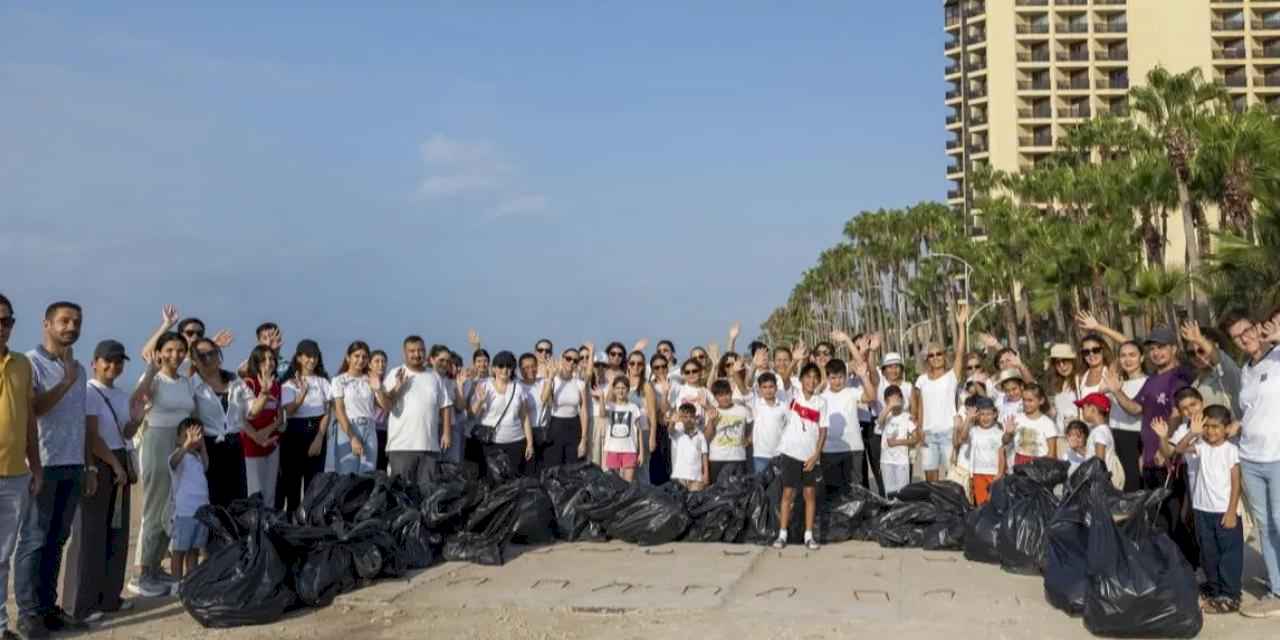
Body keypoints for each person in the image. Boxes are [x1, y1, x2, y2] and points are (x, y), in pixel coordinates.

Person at [17, 301, 88, 637]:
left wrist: (87, 465)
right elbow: (34, 410)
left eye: (76, 321)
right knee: (34, 539)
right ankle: (28, 614)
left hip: (72, 464)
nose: (71, 327)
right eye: (64, 321)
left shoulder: (80, 368)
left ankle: (48, 607)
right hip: (42, 464)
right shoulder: (31, 364)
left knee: (58, 539)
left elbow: (81, 421)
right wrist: (65, 382)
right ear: (47, 324)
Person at [63, 340, 139, 620]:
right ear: (94, 362)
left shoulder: (120, 394)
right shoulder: (89, 392)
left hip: (118, 462)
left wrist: (139, 419)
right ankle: (81, 605)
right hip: (98, 464)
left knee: (116, 533)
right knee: (89, 534)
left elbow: (126, 432)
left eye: (119, 361)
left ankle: (109, 598)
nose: (113, 365)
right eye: (108, 360)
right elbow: (92, 436)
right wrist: (114, 465)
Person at [1220, 310, 1280, 618]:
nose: (1245, 338)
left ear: (1258, 327)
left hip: (1277, 456)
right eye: (1237, 336)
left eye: (1247, 330)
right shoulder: (1246, 370)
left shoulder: (1278, 354)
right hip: (1251, 457)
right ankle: (1277, 591)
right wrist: (1238, 425)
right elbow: (1253, 409)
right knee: (1265, 527)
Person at [127, 330, 196, 600]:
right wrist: (149, 371)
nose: (175, 355)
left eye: (180, 350)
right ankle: (142, 574)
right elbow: (136, 400)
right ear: (159, 352)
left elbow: (191, 413)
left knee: (172, 507)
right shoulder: (153, 377)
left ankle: (156, 567)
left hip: (180, 443)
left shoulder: (185, 381)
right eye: (169, 350)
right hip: (156, 440)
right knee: (155, 506)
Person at [1155, 406, 1243, 614]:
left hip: (1224, 511)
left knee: (1229, 554)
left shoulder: (1231, 450)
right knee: (1209, 553)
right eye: (1207, 427)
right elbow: (1177, 450)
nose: (1211, 431)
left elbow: (1236, 482)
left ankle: (1230, 595)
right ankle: (1214, 591)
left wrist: (1231, 512)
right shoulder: (1201, 445)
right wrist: (1193, 433)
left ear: (1226, 428)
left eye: (1216, 427)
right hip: (1202, 510)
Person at [1101, 325, 1196, 490]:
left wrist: (1164, 446)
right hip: (1149, 460)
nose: (1156, 353)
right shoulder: (1151, 379)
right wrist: (1116, 391)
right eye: (1152, 348)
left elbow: (1176, 414)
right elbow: (1136, 409)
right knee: (1152, 513)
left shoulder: (1178, 378)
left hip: (1167, 458)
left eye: (1161, 347)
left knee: (1170, 513)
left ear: (1174, 349)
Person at [0, 294, 43, 640]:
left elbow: (28, 419)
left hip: (14, 472)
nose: (1, 327)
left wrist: (36, 465)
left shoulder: (21, 364)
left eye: (6, 321)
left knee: (2, 555)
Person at [376, 336, 453, 483]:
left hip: (429, 447)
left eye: (420, 350)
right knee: (401, 493)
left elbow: (445, 405)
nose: (417, 355)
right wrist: (397, 387)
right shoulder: (395, 373)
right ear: (404, 353)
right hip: (401, 446)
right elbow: (386, 405)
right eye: (412, 351)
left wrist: (446, 433)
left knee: (427, 492)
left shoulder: (435, 376)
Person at [912, 305, 969, 481]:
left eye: (939, 354)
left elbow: (960, 352)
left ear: (944, 356)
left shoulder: (952, 376)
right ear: (927, 359)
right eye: (931, 355)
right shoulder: (921, 380)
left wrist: (961, 325)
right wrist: (919, 429)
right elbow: (920, 407)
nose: (936, 357)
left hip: (948, 433)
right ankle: (936, 509)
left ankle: (953, 508)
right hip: (928, 434)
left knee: (953, 477)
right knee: (931, 479)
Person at [774, 363, 827, 551]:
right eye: (808, 377)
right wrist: (795, 360)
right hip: (790, 453)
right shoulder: (793, 395)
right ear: (802, 379)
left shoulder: (821, 402)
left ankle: (808, 535)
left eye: (815, 378)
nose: (812, 381)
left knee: (809, 494)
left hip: (810, 457)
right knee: (788, 493)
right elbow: (785, 378)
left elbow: (823, 431)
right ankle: (782, 535)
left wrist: (816, 455)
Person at [189, 338, 246, 509]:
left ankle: (237, 536)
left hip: (234, 445)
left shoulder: (234, 380)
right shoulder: (191, 385)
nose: (208, 358)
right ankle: (216, 536)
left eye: (211, 353)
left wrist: (264, 394)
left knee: (238, 499)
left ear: (218, 355)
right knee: (214, 499)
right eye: (201, 355)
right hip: (208, 447)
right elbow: (193, 418)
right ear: (194, 361)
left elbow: (251, 409)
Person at [278, 340, 331, 514]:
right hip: (294, 433)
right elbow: (289, 411)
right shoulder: (289, 383)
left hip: (317, 431)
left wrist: (319, 437)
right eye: (308, 356)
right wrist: (301, 395)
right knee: (292, 483)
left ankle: (310, 523)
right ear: (299, 357)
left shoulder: (323, 382)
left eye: (315, 356)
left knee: (314, 484)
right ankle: (292, 522)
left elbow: (327, 412)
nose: (312, 360)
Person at [468, 351, 532, 480]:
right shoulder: (484, 385)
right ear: (494, 368)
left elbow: (524, 417)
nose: (505, 370)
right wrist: (480, 401)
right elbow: (471, 414)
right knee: (491, 481)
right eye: (501, 366)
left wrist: (530, 443)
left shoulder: (518, 388)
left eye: (509, 366)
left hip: (516, 441)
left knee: (513, 481)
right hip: (491, 443)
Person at [240, 345, 284, 507]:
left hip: (272, 444)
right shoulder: (248, 383)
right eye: (264, 359)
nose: (269, 363)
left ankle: (267, 527)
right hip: (250, 446)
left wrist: (265, 434)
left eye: (272, 359)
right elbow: (243, 417)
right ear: (256, 363)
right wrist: (257, 437)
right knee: (254, 492)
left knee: (269, 493)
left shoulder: (277, 385)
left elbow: (280, 418)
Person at [820, 358, 872, 495]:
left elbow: (871, 397)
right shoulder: (821, 397)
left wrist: (864, 376)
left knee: (855, 488)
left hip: (853, 448)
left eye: (840, 377)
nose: (837, 381)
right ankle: (835, 517)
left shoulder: (852, 392)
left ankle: (857, 516)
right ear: (827, 378)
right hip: (829, 450)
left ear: (846, 376)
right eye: (833, 378)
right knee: (832, 490)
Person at [167, 418, 209, 583]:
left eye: (197, 435)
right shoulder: (177, 457)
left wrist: (202, 444)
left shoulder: (198, 458)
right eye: (187, 435)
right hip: (184, 513)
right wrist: (186, 445)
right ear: (178, 439)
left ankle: (191, 583)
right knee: (179, 551)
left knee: (193, 551)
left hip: (200, 512)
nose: (192, 439)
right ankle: (176, 584)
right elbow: (173, 462)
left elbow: (207, 465)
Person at [328, 342, 379, 475]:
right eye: (357, 356)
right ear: (348, 357)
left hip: (370, 427)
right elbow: (339, 410)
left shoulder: (370, 380)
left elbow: (385, 404)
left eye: (364, 357)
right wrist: (352, 437)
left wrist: (378, 386)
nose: (361, 360)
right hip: (348, 427)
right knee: (347, 475)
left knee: (368, 475)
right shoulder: (339, 380)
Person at [1109, 340, 1147, 492]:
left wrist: (1117, 391)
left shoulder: (1148, 382)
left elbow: (1135, 410)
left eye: (1132, 355)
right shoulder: (1118, 382)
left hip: (1134, 439)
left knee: (1132, 488)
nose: (1127, 359)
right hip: (1114, 436)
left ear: (1142, 358)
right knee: (1117, 486)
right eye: (1123, 356)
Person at [542, 349, 589, 467]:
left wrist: (583, 439)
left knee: (573, 467)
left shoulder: (580, 383)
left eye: (575, 360)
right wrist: (551, 377)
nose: (571, 362)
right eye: (568, 358)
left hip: (574, 426)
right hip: (555, 425)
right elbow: (544, 400)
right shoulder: (553, 381)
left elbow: (584, 411)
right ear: (562, 359)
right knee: (553, 467)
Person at [960, 397, 1004, 506]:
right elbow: (962, 437)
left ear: (995, 414)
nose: (985, 417)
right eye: (982, 414)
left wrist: (1000, 473)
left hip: (994, 474)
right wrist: (968, 419)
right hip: (978, 473)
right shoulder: (973, 431)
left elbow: (1001, 454)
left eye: (989, 414)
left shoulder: (999, 433)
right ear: (977, 415)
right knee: (981, 503)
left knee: (994, 503)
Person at [599, 377, 644, 482]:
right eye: (618, 388)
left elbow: (639, 431)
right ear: (614, 390)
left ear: (628, 390)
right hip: (612, 449)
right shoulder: (610, 406)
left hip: (630, 450)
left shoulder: (634, 408)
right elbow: (602, 414)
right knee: (613, 483)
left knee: (628, 482)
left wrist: (641, 452)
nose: (620, 390)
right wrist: (602, 397)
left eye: (623, 388)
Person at [705, 379, 752, 483]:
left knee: (738, 493)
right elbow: (707, 438)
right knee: (717, 493)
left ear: (731, 393)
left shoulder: (743, 410)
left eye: (727, 394)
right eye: (720, 395)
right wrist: (711, 421)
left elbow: (752, 427)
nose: (724, 398)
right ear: (715, 397)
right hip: (717, 459)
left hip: (738, 458)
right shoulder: (712, 412)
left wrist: (749, 440)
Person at [1075, 392, 1124, 490]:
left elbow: (1099, 461)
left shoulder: (1099, 432)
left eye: (1083, 408)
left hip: (1100, 484)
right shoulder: (1101, 430)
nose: (1081, 411)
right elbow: (1092, 455)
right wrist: (1077, 448)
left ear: (1093, 409)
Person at [877, 385, 918, 496]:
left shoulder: (907, 417)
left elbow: (915, 439)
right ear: (886, 401)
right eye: (891, 400)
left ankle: (903, 513)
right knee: (889, 493)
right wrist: (889, 407)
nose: (895, 402)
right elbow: (879, 421)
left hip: (901, 462)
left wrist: (897, 442)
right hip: (886, 461)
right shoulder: (885, 416)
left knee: (903, 493)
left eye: (897, 399)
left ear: (902, 399)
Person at [1004, 382, 1056, 465]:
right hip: (1019, 465)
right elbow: (1005, 441)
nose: (1026, 403)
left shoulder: (1048, 423)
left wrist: (1045, 471)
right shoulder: (1017, 419)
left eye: (1030, 400)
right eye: (1024, 400)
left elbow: (1052, 453)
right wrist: (1008, 434)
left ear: (1041, 401)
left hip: (1039, 467)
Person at [749, 373, 789, 474]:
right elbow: (745, 387)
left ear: (776, 388)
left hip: (780, 455)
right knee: (761, 488)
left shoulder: (784, 406)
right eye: (764, 387)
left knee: (779, 487)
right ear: (760, 389)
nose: (768, 390)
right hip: (760, 456)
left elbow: (788, 429)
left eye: (771, 386)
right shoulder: (756, 404)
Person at [648, 353, 675, 484]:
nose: (660, 370)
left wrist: (665, 394)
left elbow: (667, 410)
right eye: (656, 367)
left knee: (669, 468)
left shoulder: (675, 385)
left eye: (663, 366)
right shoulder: (649, 386)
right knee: (655, 467)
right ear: (652, 369)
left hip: (670, 430)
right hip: (655, 429)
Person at [669, 403, 709, 491]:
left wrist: (706, 474)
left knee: (695, 503)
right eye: (685, 417)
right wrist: (672, 422)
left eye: (691, 416)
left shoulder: (700, 435)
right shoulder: (677, 433)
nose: (688, 419)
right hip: (679, 476)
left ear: (695, 417)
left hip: (696, 477)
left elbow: (704, 456)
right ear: (680, 418)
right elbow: (670, 430)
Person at [369, 350, 390, 471]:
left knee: (382, 468)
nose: (381, 364)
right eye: (377, 361)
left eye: (383, 361)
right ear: (370, 364)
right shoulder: (365, 381)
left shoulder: (388, 383)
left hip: (386, 431)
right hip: (370, 430)